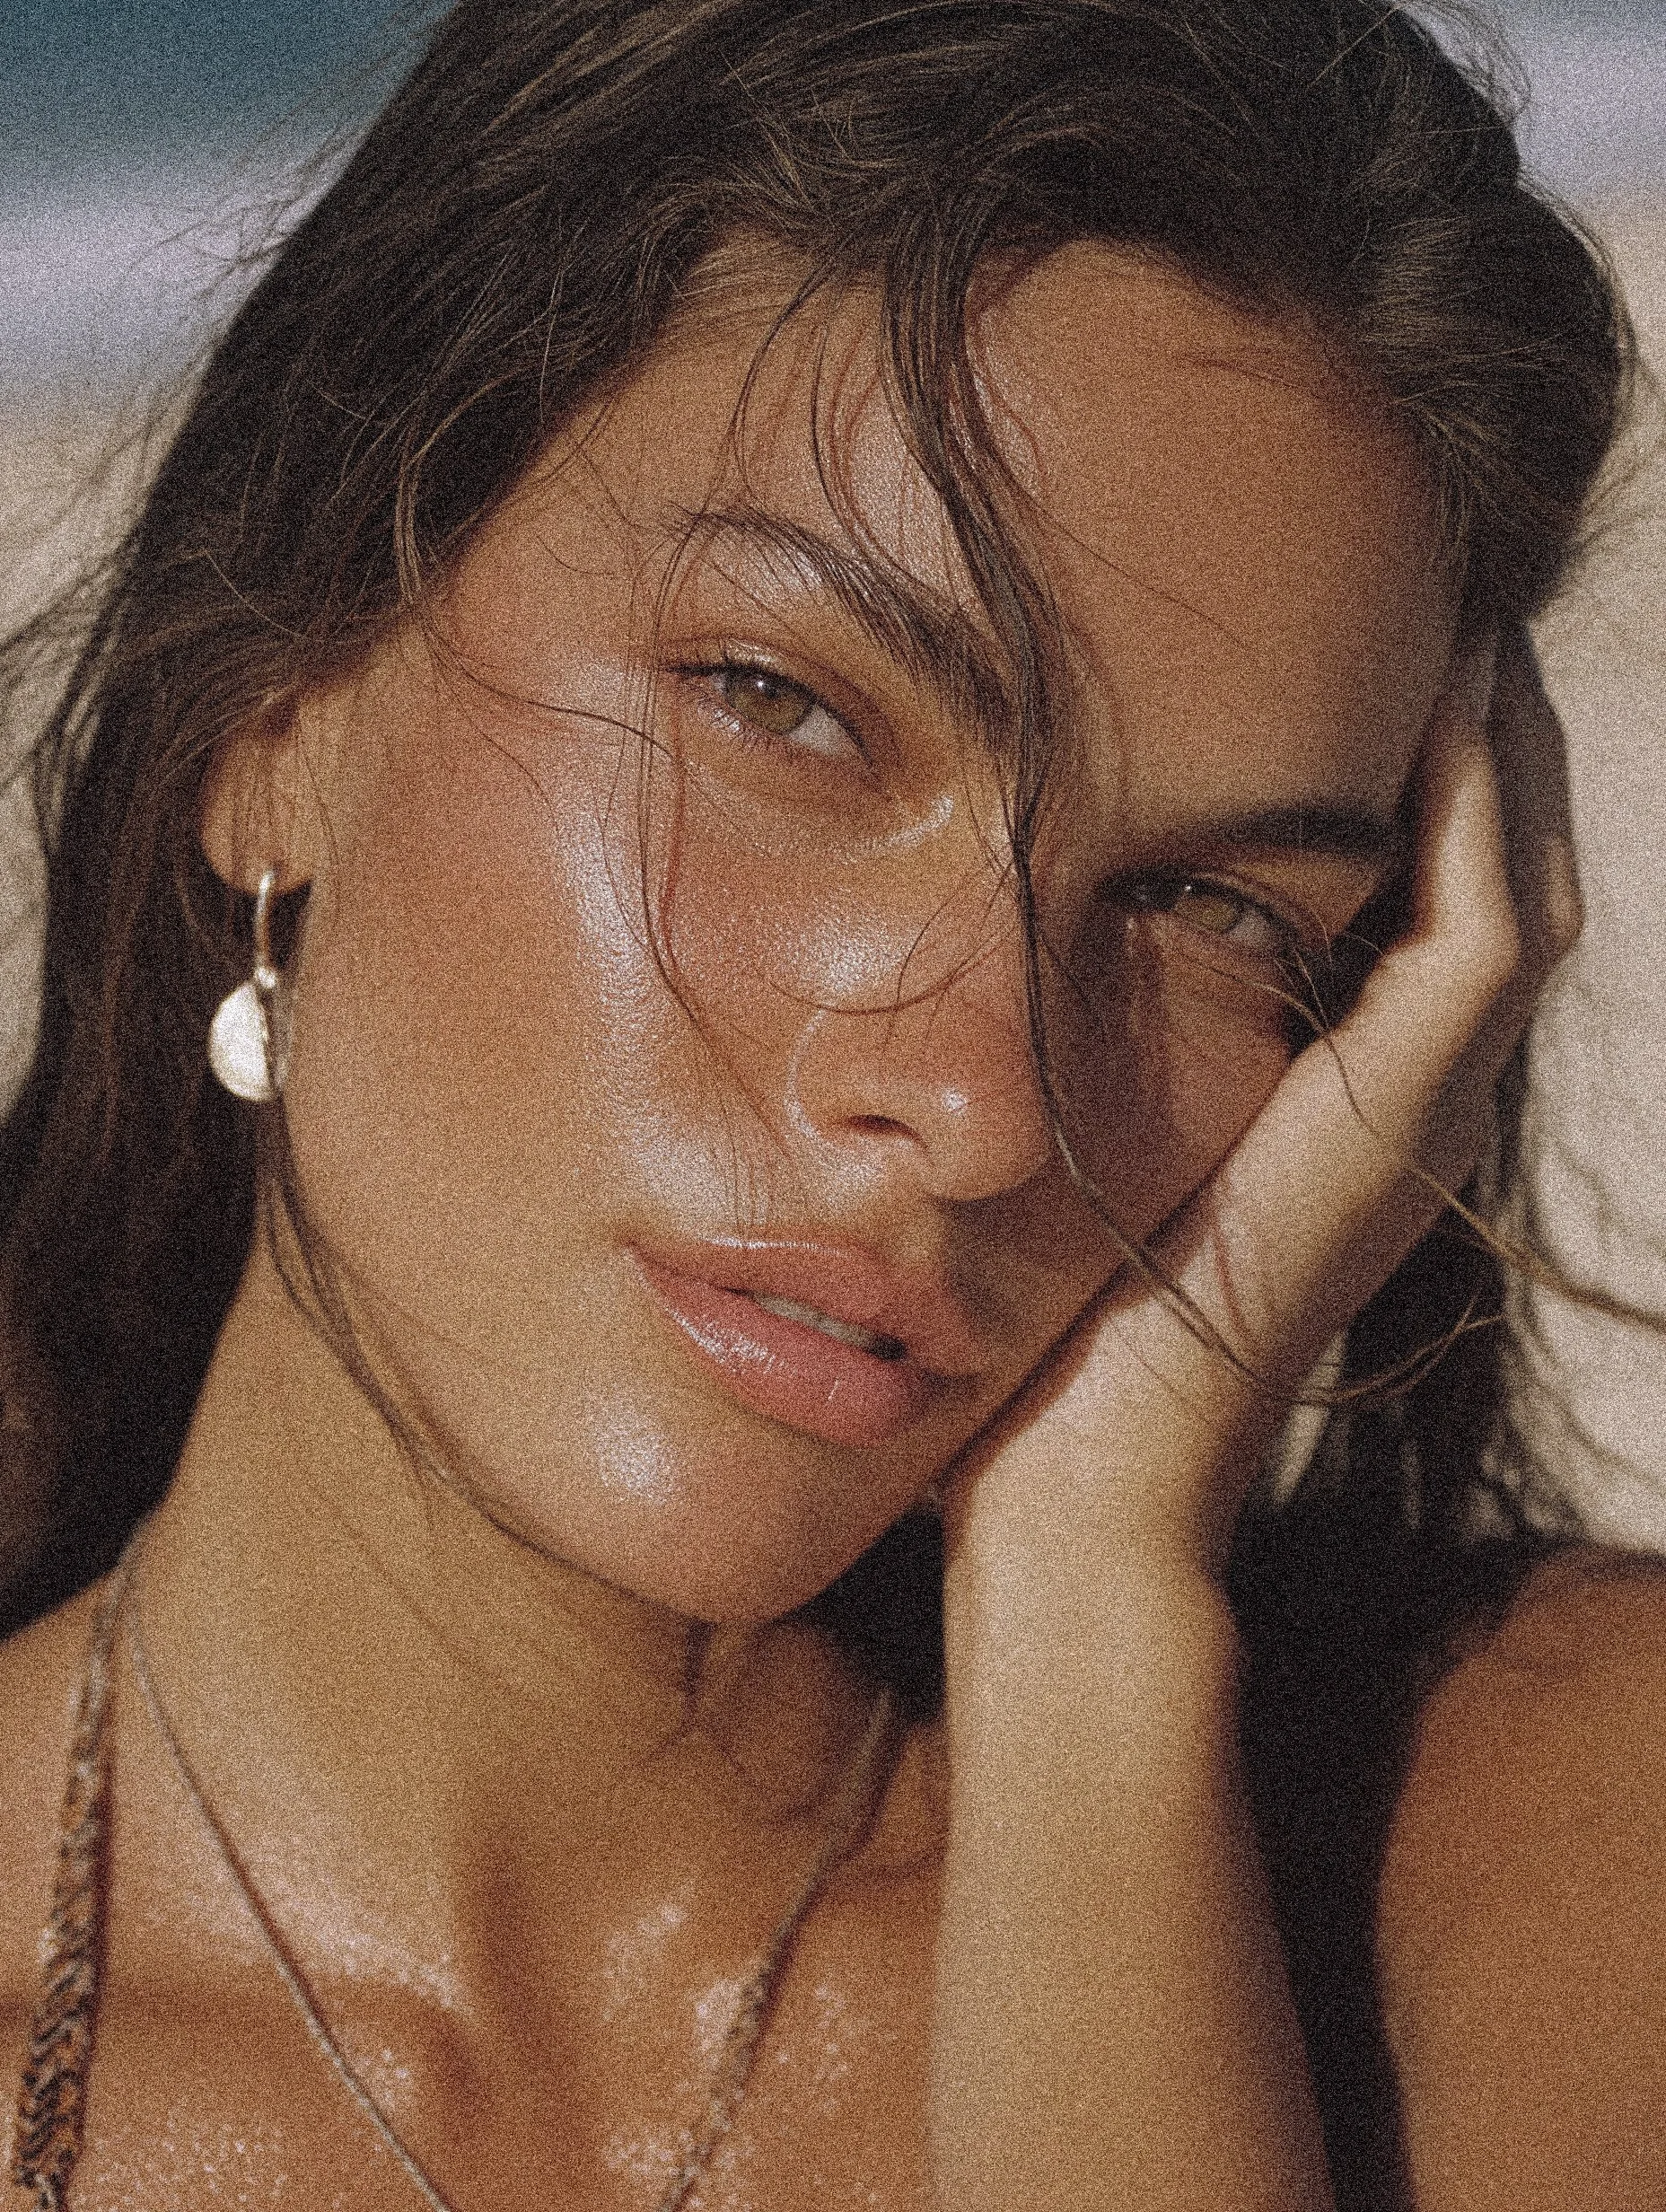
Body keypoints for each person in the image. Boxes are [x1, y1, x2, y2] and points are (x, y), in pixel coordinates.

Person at [0, 2, 1631, 2205]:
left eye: (1217, 910)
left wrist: (1089, 1608)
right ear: (279, 702)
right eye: (784, 706)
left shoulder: (1549, 1856)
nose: (981, 1101)